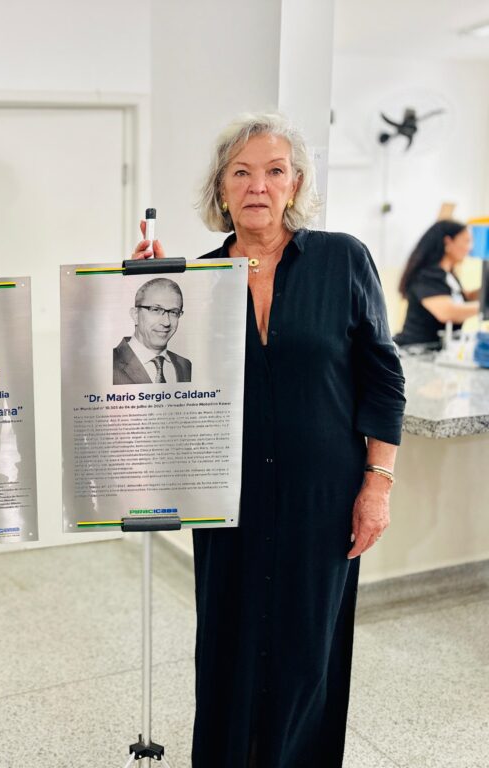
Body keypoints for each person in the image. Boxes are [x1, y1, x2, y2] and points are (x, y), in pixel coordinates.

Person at [131, 113, 405, 767]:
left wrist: (378, 483)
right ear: (222, 189)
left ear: (296, 184)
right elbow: (156, 383)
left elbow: (383, 379)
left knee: (308, 646)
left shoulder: (342, 258)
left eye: (274, 171)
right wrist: (133, 288)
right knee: (228, 639)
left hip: (324, 493)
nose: (258, 185)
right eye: (242, 172)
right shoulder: (193, 281)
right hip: (227, 494)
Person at [393, 220, 480, 347]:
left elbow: (465, 298)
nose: (470, 248)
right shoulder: (426, 276)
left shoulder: (449, 275)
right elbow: (448, 312)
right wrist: (483, 307)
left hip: (438, 351)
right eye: (466, 241)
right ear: (448, 242)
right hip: (416, 352)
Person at [113, 277, 192, 384]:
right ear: (135, 315)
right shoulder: (109, 363)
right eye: (156, 310)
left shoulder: (185, 365)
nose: (166, 322)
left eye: (174, 312)